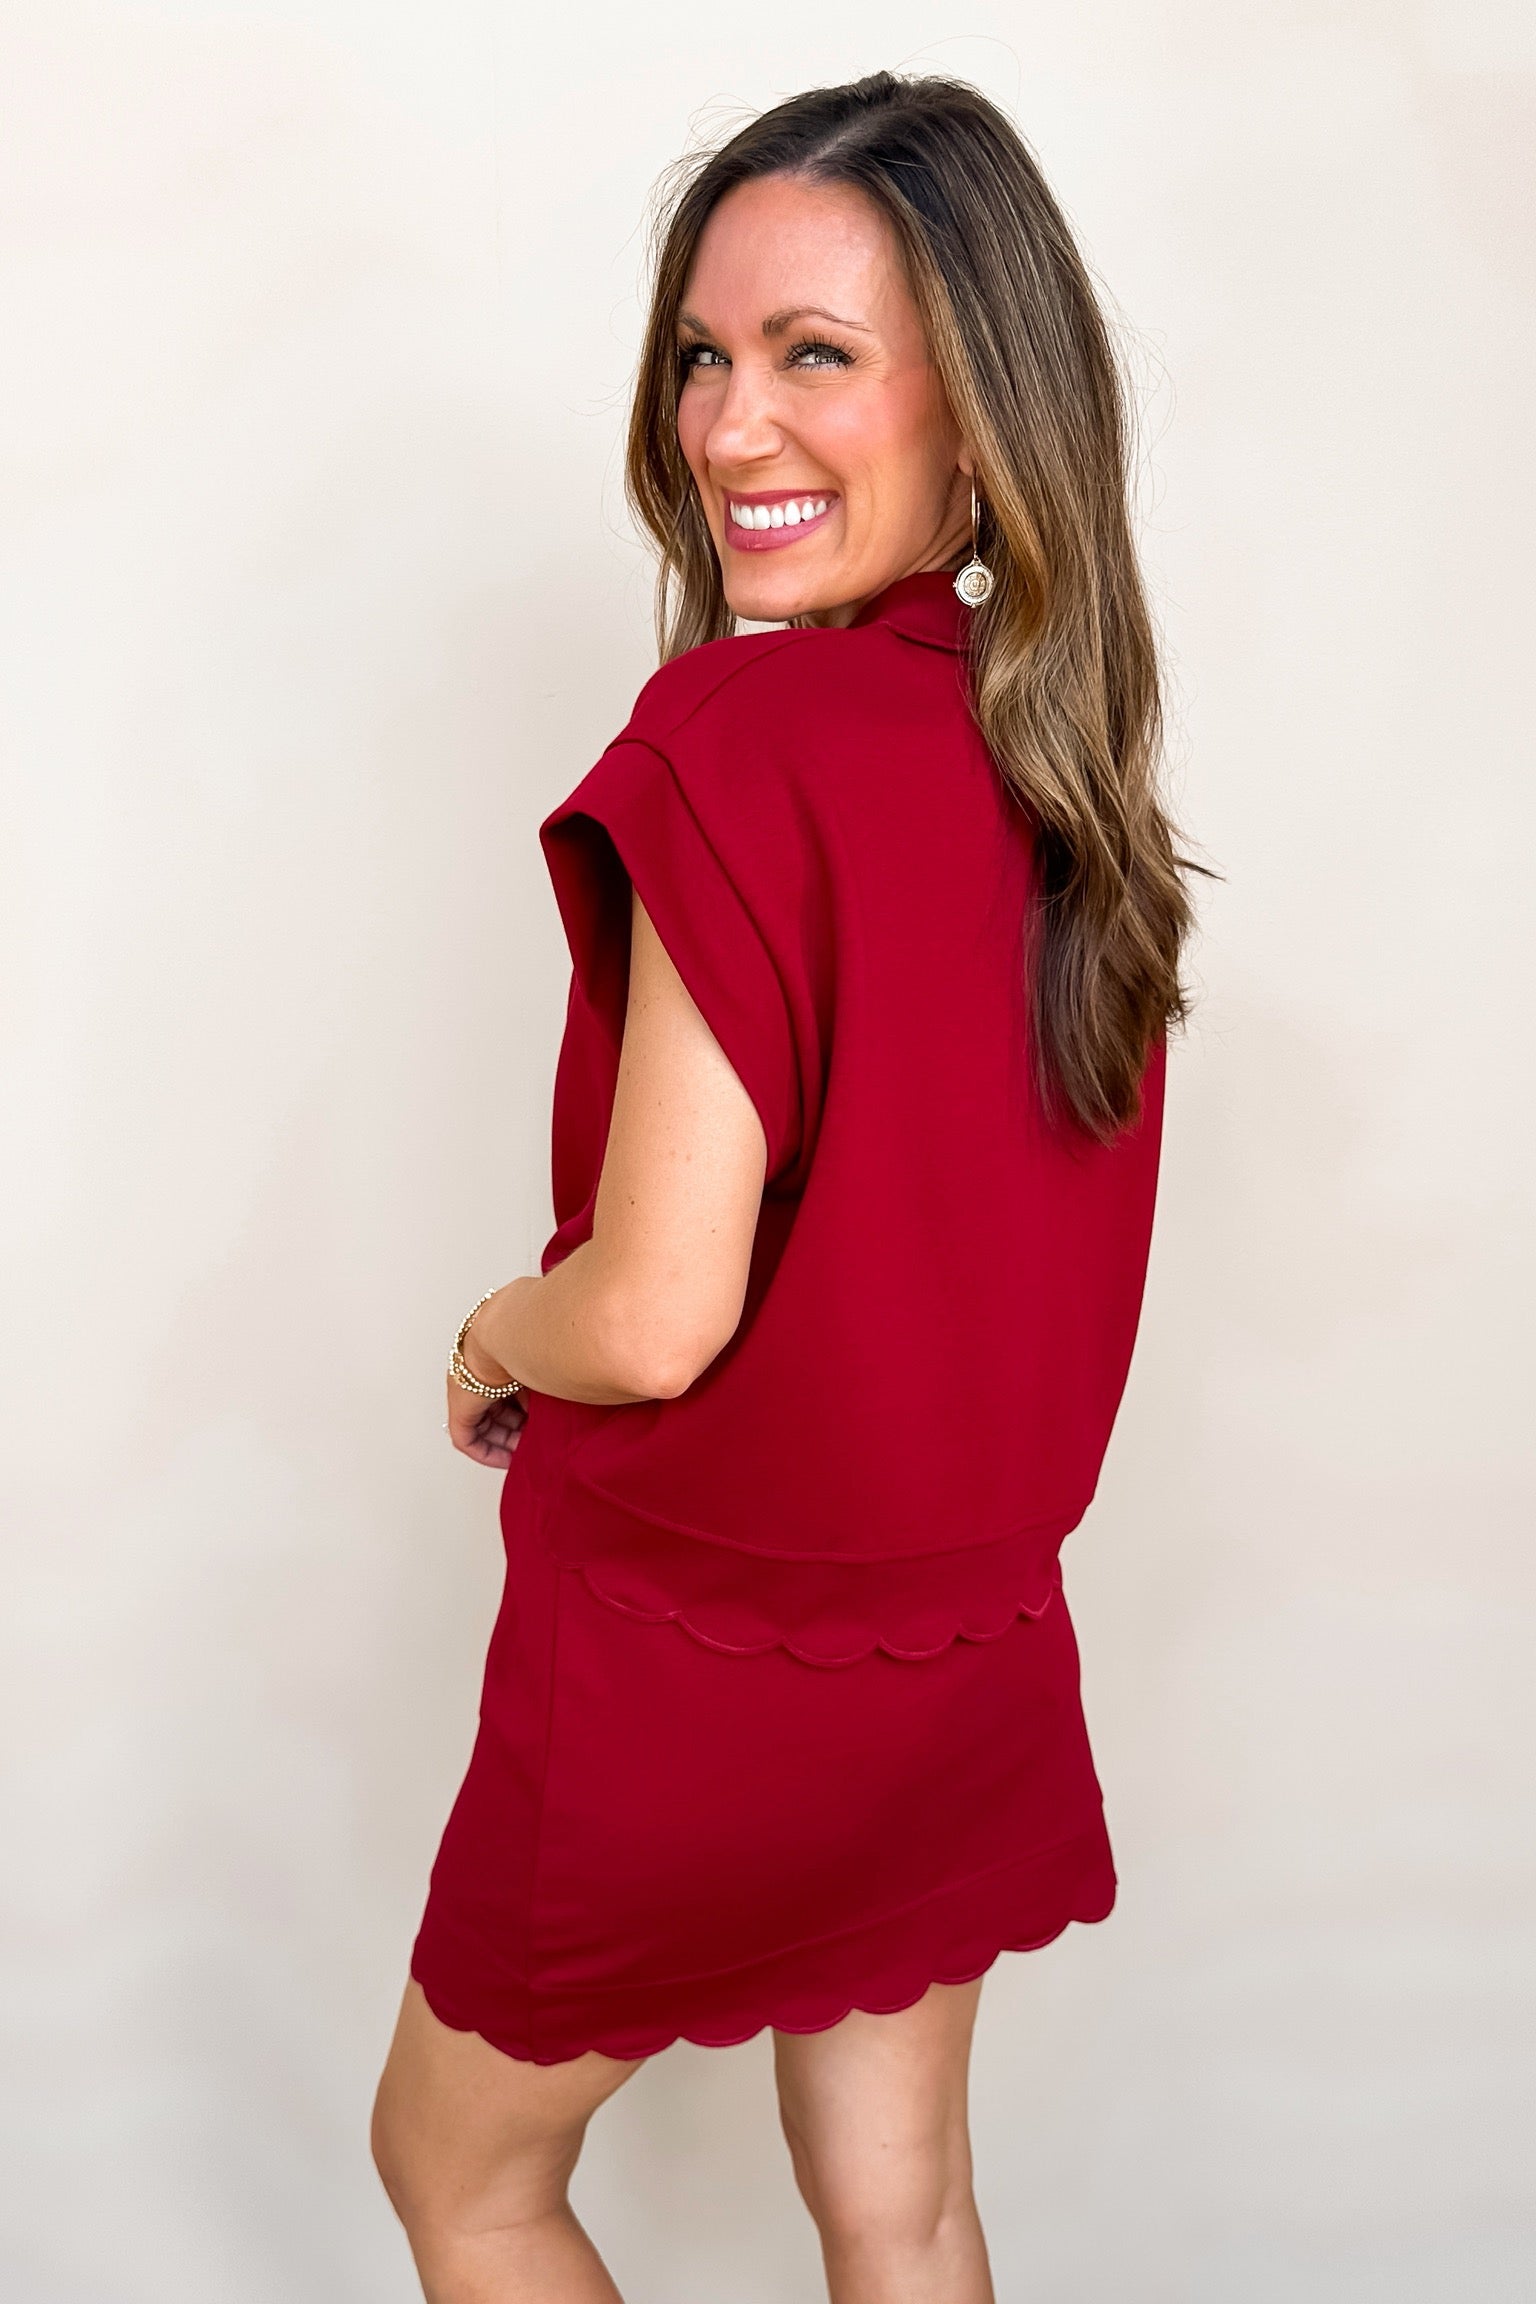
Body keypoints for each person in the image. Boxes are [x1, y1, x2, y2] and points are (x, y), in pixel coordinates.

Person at [371, 69, 1194, 2304]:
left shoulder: (737, 745)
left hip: (690, 1660)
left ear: (981, 408)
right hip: (963, 1658)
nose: (734, 428)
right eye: (704, 357)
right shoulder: (1061, 773)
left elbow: (652, 1314)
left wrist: (489, 1333)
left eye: (815, 355)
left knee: (461, 2175)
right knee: (901, 2208)